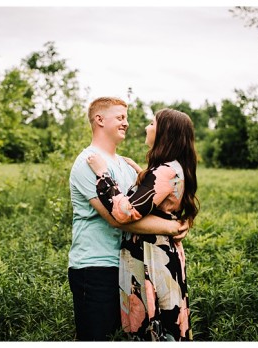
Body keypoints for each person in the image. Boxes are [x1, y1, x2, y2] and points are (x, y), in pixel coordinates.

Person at [68, 97, 187, 341]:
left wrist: (181, 221)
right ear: (100, 120)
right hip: (95, 266)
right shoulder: (87, 162)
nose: (127, 123)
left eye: (126, 117)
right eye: (120, 117)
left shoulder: (123, 165)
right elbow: (116, 218)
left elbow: (143, 207)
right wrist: (171, 226)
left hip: (127, 267)